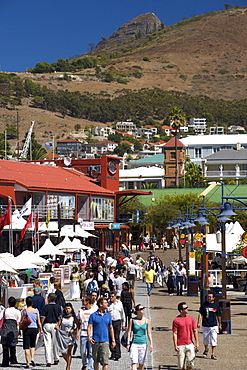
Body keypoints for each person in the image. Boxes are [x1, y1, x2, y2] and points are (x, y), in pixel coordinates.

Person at [87, 297, 116, 370]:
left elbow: (111, 328)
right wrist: (89, 337)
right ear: (100, 304)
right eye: (105, 303)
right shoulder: (93, 315)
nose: (107, 304)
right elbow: (89, 327)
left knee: (105, 362)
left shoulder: (108, 316)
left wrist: (113, 340)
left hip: (105, 341)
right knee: (96, 361)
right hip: (95, 341)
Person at [172, 302, 199, 370]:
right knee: (181, 365)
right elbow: (175, 333)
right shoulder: (176, 320)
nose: (187, 309)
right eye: (185, 308)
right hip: (180, 345)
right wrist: (175, 344)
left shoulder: (191, 319)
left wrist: (197, 343)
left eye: (187, 307)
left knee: (190, 363)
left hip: (190, 343)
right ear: (181, 310)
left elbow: (195, 331)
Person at [127, 304, 153, 370]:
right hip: (134, 343)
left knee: (142, 363)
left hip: (143, 343)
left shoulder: (147, 321)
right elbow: (129, 332)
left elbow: (149, 332)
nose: (143, 310)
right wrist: (128, 343)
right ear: (137, 311)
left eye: (143, 308)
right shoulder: (132, 320)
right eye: (141, 309)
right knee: (134, 362)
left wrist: (151, 344)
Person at [197, 292, 222, 360]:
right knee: (205, 340)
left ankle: (213, 354)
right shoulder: (204, 304)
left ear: (213, 298)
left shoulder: (216, 306)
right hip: (205, 325)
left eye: (210, 297)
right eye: (208, 297)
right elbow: (200, 313)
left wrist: (220, 324)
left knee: (214, 339)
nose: (209, 298)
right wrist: (198, 322)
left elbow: (218, 316)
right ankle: (206, 349)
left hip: (213, 325)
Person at [20, 296, 43, 368]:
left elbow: (21, 321)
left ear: (26, 303)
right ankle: (32, 358)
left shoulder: (24, 311)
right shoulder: (36, 310)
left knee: (26, 346)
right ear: (32, 302)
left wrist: (20, 328)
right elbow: (38, 321)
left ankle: (28, 362)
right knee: (32, 345)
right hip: (34, 328)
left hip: (27, 329)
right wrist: (41, 329)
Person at [41, 293, 62, 367]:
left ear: (49, 299)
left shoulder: (45, 307)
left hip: (47, 324)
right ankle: (56, 358)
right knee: (55, 343)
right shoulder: (59, 307)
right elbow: (60, 318)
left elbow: (43, 318)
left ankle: (48, 361)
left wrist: (40, 327)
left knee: (47, 343)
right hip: (55, 325)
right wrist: (58, 325)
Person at [55, 303, 79, 370]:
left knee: (69, 351)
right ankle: (68, 361)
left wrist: (74, 331)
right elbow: (59, 324)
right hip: (63, 335)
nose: (67, 310)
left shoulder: (73, 317)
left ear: (71, 309)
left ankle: (68, 366)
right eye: (66, 309)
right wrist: (57, 326)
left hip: (70, 336)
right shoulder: (61, 317)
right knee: (63, 352)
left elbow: (78, 326)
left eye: (68, 308)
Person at [1, 296, 21, 367]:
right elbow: (18, 321)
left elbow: (1, 318)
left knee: (5, 346)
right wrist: (19, 331)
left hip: (5, 328)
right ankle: (13, 359)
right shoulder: (17, 311)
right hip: (14, 328)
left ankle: (5, 361)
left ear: (8, 303)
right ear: (15, 303)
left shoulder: (5, 310)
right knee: (13, 345)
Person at [78, 296, 95, 370]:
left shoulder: (93, 311)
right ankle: (85, 363)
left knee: (91, 351)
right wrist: (76, 332)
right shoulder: (81, 311)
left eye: (84, 300)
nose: (82, 302)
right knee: (82, 351)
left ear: (88, 301)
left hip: (91, 333)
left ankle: (90, 367)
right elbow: (78, 322)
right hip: (83, 332)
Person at [107, 291, 126, 361]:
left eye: (112, 296)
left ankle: (118, 353)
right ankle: (113, 352)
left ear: (115, 296)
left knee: (117, 337)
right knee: (110, 337)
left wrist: (124, 324)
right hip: (110, 322)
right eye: (110, 296)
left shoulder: (119, 303)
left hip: (118, 321)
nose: (111, 298)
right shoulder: (108, 304)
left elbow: (122, 313)